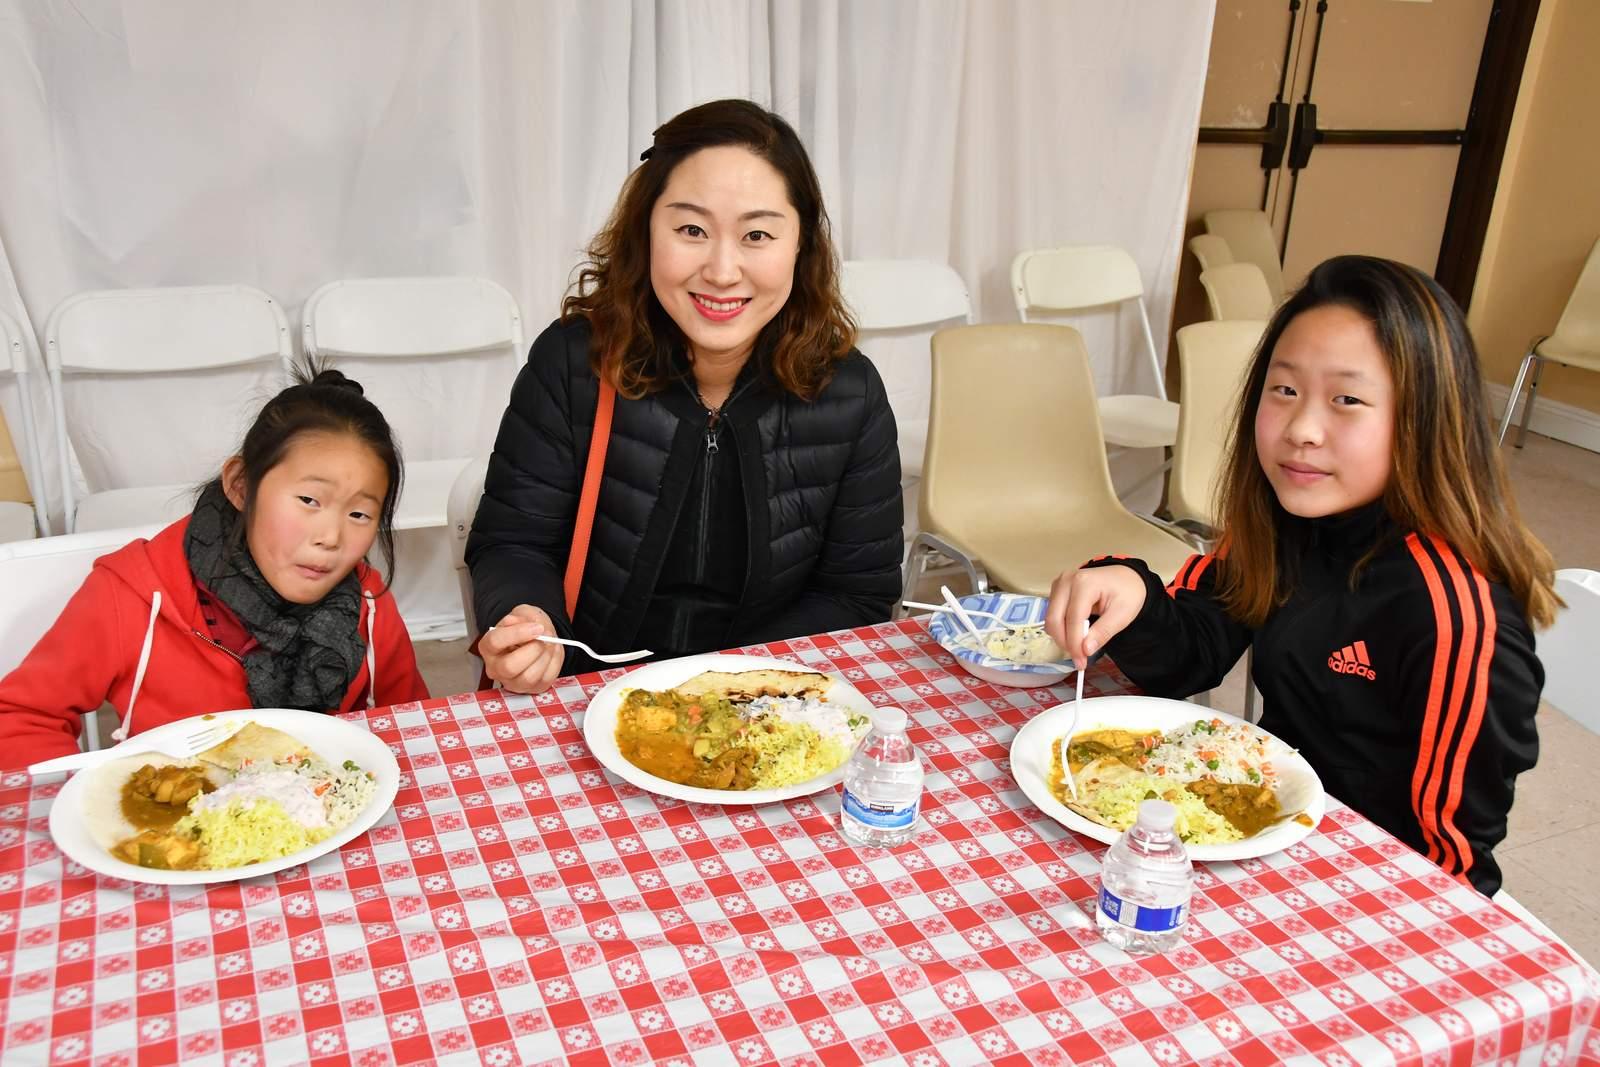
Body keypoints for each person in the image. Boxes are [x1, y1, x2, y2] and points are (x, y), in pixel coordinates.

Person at [1044, 255, 1557, 897]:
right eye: (1284, 390)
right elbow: (1190, 657)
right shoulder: (1284, 521)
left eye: (1347, 400)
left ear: (1424, 418)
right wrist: (1135, 593)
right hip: (1256, 844)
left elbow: (1449, 868)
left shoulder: (1455, 615)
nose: (1302, 430)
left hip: (1357, 894)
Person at [469, 98, 903, 693]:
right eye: (691, 230)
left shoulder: (850, 392)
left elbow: (858, 594)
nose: (722, 271)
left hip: (762, 698)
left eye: (757, 234)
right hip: (585, 691)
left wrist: (728, 685)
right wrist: (526, 616)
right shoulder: (573, 362)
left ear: (801, 245)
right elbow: (512, 541)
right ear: (647, 231)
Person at [0, 367, 429, 767]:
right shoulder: (129, 593)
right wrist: (91, 804)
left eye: (359, 514)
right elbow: (20, 718)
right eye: (308, 500)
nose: (331, 537)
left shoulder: (367, 602)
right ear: (241, 485)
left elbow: (412, 724)